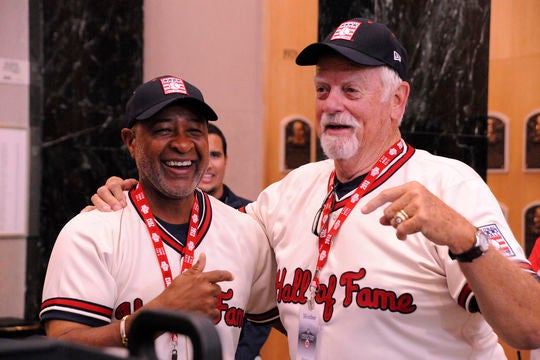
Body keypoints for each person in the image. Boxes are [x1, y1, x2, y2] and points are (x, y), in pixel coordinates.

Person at [89, 19, 540, 358]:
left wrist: (464, 238)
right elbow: (214, 225)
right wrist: (133, 193)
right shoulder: (290, 193)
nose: (332, 105)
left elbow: (530, 326)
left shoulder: (450, 184)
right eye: (323, 89)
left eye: (351, 90)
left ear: (397, 100)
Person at [40, 75, 278, 360]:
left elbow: (307, 317)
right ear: (131, 141)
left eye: (194, 131)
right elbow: (62, 348)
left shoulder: (245, 231)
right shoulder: (90, 232)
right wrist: (158, 315)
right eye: (164, 130)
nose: (182, 144)